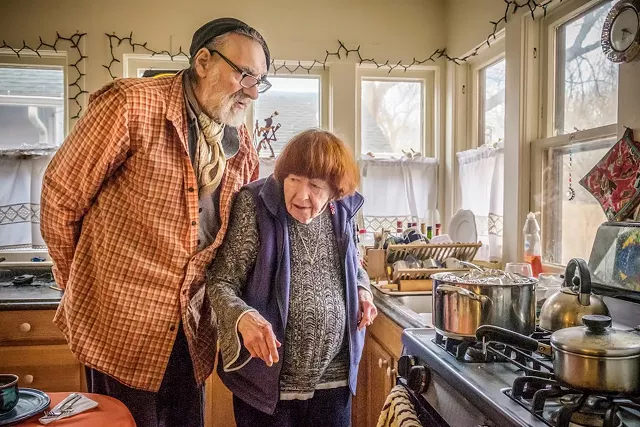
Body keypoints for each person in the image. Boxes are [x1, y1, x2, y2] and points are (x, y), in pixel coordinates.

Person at [40, 17, 271, 427]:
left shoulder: (242, 144)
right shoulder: (130, 105)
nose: (252, 92)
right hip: (120, 325)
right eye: (245, 75)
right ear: (203, 61)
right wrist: (76, 281)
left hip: (191, 331)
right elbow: (61, 196)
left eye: (260, 81)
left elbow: (242, 236)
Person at [206, 129, 378, 427]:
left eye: (315, 185)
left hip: (333, 383)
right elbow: (220, 281)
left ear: (335, 190)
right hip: (269, 386)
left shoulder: (342, 211)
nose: (301, 195)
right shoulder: (255, 205)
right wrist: (243, 317)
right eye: (293, 180)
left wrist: (363, 290)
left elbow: (355, 265)